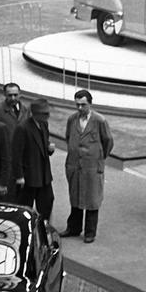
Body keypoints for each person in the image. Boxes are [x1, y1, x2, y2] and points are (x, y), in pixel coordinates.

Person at [62, 89, 113, 243]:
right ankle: (74, 228)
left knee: (92, 200)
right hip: (75, 166)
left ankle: (90, 232)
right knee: (75, 198)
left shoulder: (100, 121)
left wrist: (99, 158)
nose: (79, 108)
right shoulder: (72, 119)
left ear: (90, 104)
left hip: (92, 167)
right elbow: (68, 137)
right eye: (77, 104)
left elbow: (108, 141)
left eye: (83, 105)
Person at [12, 99, 57, 224]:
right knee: (25, 207)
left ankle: (43, 227)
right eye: (44, 114)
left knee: (47, 201)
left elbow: (43, 144)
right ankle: (25, 229)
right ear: (35, 113)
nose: (47, 116)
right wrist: (19, 176)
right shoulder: (22, 128)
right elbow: (16, 154)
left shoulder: (44, 125)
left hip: (43, 175)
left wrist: (49, 149)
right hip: (29, 176)